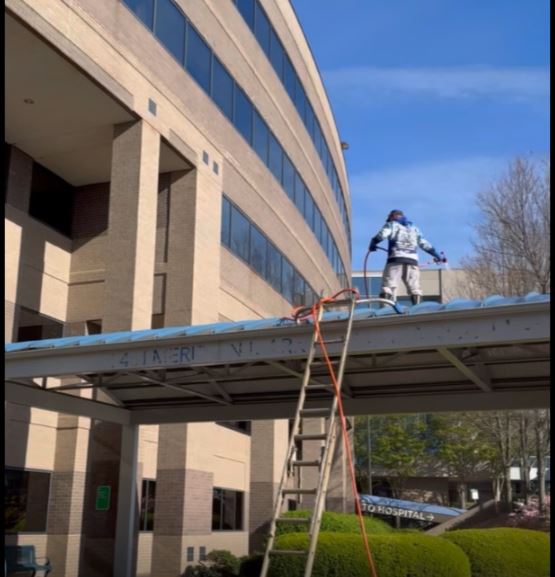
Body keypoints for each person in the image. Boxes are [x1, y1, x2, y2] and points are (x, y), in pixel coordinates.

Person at [369, 209, 447, 305]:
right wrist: (436, 254)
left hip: (395, 259)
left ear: (393, 216)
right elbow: (424, 244)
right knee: (414, 288)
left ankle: (383, 309)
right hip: (412, 261)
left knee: (388, 286)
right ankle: (417, 309)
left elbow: (382, 234)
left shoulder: (392, 224)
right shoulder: (414, 228)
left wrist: (373, 242)